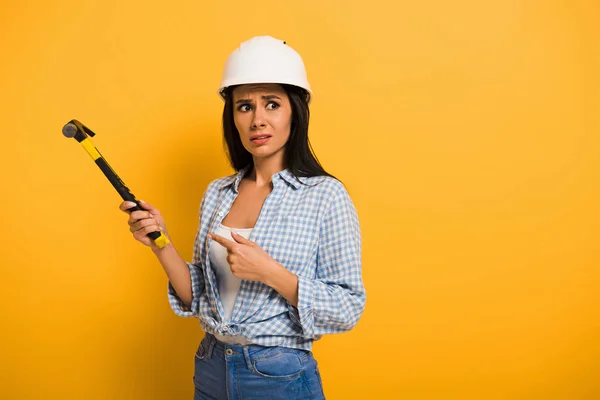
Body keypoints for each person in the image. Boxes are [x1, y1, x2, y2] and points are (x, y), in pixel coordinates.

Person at [120, 36, 366, 400]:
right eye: (244, 106)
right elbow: (199, 296)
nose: (258, 119)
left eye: (272, 104)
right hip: (211, 366)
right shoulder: (218, 193)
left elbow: (347, 307)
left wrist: (269, 271)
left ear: (295, 111)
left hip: (277, 375)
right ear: (232, 116)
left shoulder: (325, 196)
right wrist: (160, 242)